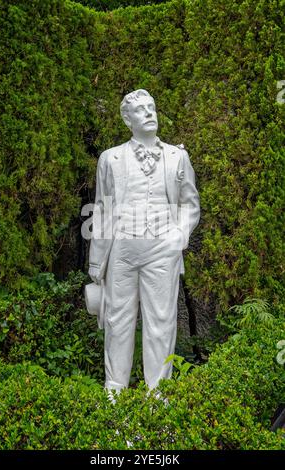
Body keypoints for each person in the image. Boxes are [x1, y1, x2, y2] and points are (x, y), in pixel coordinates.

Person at [89, 89, 200, 393]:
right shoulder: (109, 158)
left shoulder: (178, 157)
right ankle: (114, 391)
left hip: (162, 250)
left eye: (152, 107)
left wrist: (177, 238)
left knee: (161, 323)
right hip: (122, 251)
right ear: (128, 119)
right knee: (117, 323)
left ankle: (157, 396)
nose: (150, 113)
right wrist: (96, 264)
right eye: (141, 110)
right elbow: (101, 211)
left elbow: (190, 204)